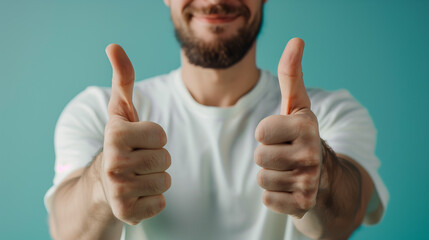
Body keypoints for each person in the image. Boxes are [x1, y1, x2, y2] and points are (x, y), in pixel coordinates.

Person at [44, 0, 388, 239]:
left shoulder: (330, 113)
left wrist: (323, 175)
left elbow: (346, 220)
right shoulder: (96, 113)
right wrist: (100, 187)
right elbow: (64, 230)